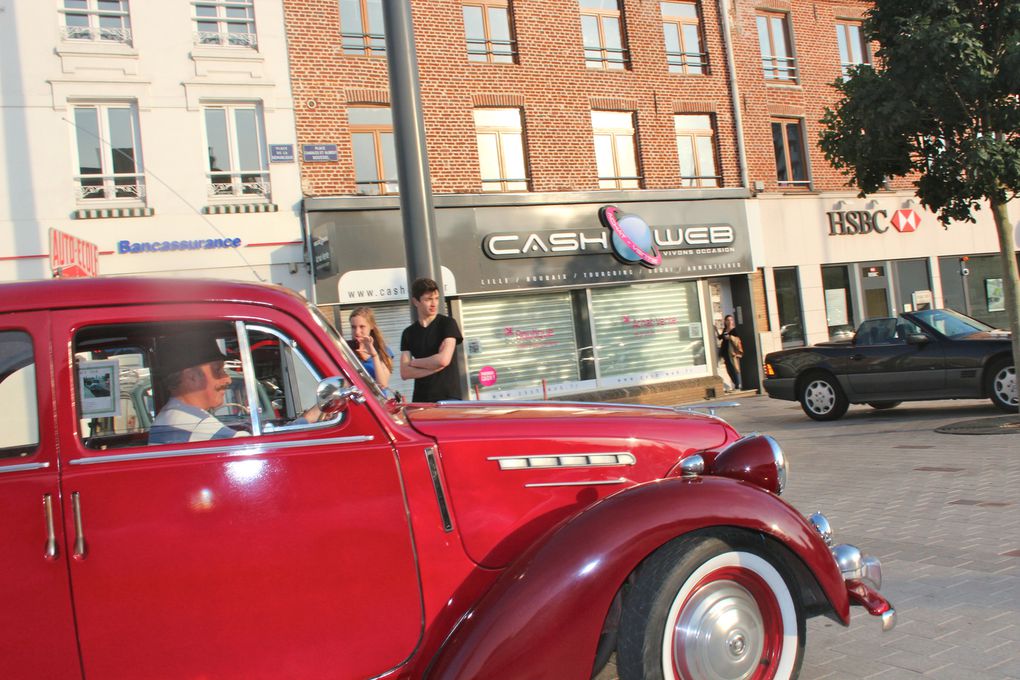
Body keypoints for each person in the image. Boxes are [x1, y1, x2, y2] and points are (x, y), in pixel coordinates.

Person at [149, 333, 320, 444]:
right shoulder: (194, 424)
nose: (228, 379)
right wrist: (310, 418)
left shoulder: (174, 416)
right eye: (217, 370)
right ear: (192, 376)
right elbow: (262, 448)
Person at [400, 278, 463, 402]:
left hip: (448, 398)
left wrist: (414, 362)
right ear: (416, 301)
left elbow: (443, 360)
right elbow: (405, 373)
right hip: (420, 400)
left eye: (436, 298)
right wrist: (433, 365)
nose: (434, 303)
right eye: (428, 299)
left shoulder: (447, 324)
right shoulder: (408, 333)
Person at [349, 306, 394, 389]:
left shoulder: (383, 351)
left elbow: (383, 385)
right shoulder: (346, 351)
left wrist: (374, 355)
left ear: (371, 326)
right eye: (353, 327)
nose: (357, 332)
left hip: (376, 401)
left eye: (362, 327)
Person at [718, 314, 743, 392]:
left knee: (734, 368)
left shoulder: (734, 330)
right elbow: (720, 337)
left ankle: (737, 385)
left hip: (732, 352)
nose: (729, 322)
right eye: (728, 320)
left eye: (731, 320)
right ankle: (735, 384)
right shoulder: (725, 330)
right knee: (728, 369)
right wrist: (716, 330)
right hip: (725, 352)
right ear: (725, 321)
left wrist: (730, 337)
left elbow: (738, 341)